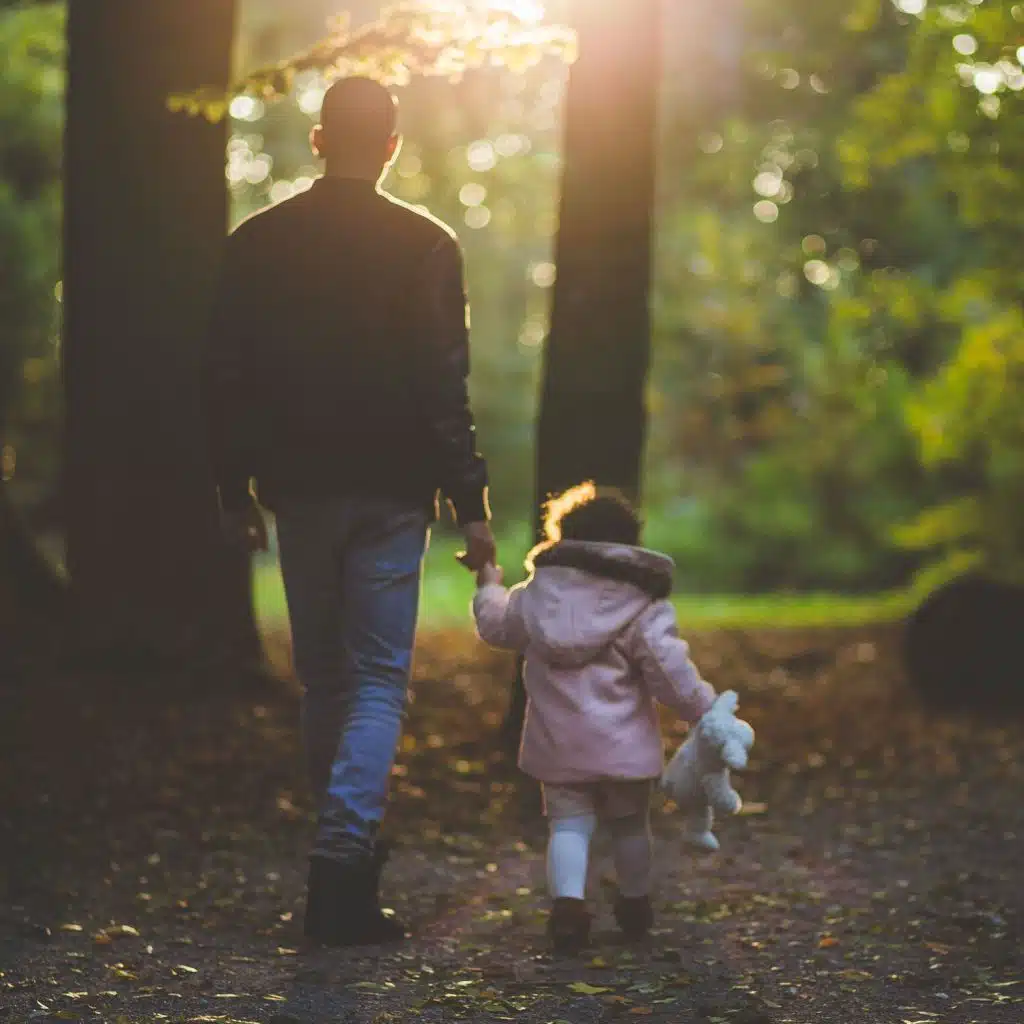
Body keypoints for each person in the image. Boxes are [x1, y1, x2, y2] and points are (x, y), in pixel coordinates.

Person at [203, 77, 496, 947]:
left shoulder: (258, 242)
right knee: (374, 682)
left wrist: (232, 489)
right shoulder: (427, 244)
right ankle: (341, 871)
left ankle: (346, 864)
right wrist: (472, 503)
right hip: (393, 494)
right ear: (394, 146)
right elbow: (446, 386)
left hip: (298, 492)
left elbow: (225, 376)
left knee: (326, 681)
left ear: (320, 138)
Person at [472, 482, 716, 953]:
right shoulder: (643, 601)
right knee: (629, 824)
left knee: (567, 826)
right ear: (630, 543)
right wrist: (703, 711)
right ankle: (634, 902)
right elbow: (669, 670)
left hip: (558, 742)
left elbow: (497, 625)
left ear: (563, 537)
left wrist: (487, 585)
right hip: (624, 746)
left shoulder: (538, 594)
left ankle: (568, 907)